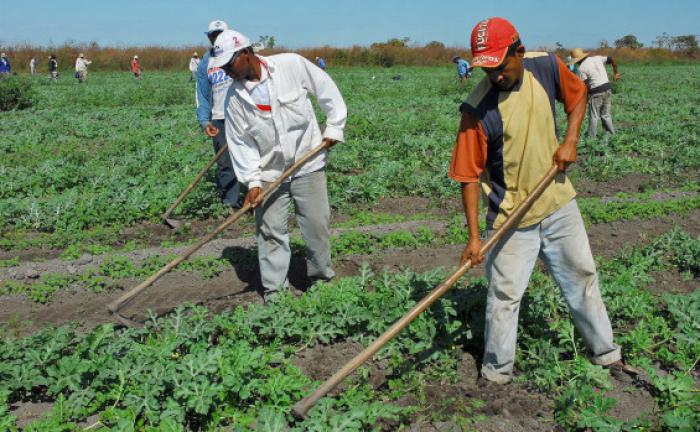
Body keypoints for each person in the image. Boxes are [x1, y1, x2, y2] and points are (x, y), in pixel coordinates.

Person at [450, 17, 636, 385]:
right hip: (510, 217)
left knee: (581, 276)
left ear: (518, 52)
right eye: (487, 69)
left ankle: (606, 353)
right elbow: (468, 177)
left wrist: (571, 140)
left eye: (500, 67)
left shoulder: (546, 66)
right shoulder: (476, 111)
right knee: (504, 296)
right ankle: (496, 373)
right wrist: (474, 237)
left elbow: (579, 94)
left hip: (557, 201)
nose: (495, 76)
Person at [209, 29, 347, 302]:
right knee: (271, 232)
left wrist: (334, 126)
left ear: (246, 53)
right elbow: (241, 143)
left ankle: (321, 279)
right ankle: (275, 292)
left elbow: (326, 89)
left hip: (308, 160)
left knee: (317, 225)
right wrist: (253, 181)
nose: (226, 72)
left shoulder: (291, 65)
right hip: (269, 171)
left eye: (229, 64)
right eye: (222, 67)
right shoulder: (234, 99)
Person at [195, 19, 241, 209]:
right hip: (219, 117)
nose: (216, 38)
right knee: (225, 162)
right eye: (213, 36)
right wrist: (205, 120)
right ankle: (231, 202)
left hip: (242, 114)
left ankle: (257, 198)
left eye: (220, 34)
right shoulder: (207, 60)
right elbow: (202, 93)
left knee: (251, 156)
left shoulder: (238, 54)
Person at [571, 47, 620, 137]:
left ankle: (591, 138)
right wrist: (616, 72)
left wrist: (583, 100)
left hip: (596, 92)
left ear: (577, 60)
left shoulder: (581, 69)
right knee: (606, 115)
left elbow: (584, 86)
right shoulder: (597, 58)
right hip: (607, 89)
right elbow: (612, 59)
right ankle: (610, 135)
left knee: (594, 116)